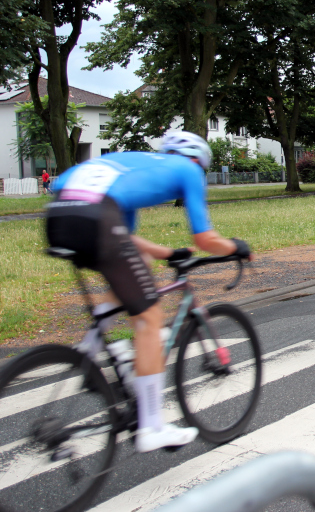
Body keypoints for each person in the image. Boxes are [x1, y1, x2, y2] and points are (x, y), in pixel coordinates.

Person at [46, 131, 253, 453]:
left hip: (60, 213)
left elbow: (124, 239)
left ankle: (90, 349)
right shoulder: (189, 170)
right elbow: (205, 238)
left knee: (128, 275)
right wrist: (237, 247)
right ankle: (152, 426)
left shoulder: (130, 162)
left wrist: (168, 253)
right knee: (150, 316)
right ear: (198, 160)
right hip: (97, 217)